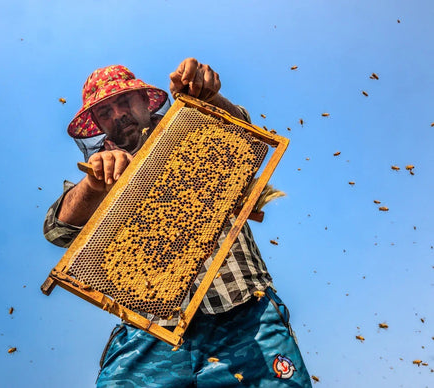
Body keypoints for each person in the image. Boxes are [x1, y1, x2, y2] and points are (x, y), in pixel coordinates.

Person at [44, 58, 312, 387]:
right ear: (96, 125)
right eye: (104, 112)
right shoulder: (99, 170)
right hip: (149, 329)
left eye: (123, 101)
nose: (117, 115)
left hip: (243, 311)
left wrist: (208, 97)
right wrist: (93, 185)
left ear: (145, 99)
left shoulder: (197, 128)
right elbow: (58, 228)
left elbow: (243, 132)